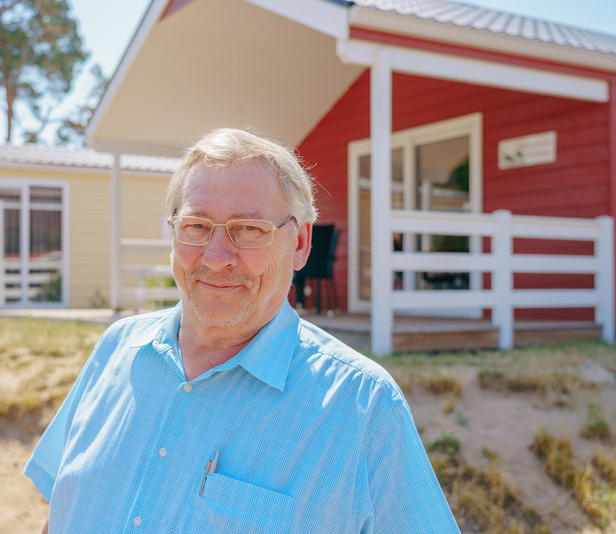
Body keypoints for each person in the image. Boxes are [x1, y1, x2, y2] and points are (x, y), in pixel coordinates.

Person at [25, 128, 460, 533]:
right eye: (196, 226)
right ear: (174, 233)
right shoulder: (117, 349)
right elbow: (60, 508)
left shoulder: (362, 407)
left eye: (248, 229)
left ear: (301, 243)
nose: (216, 257)